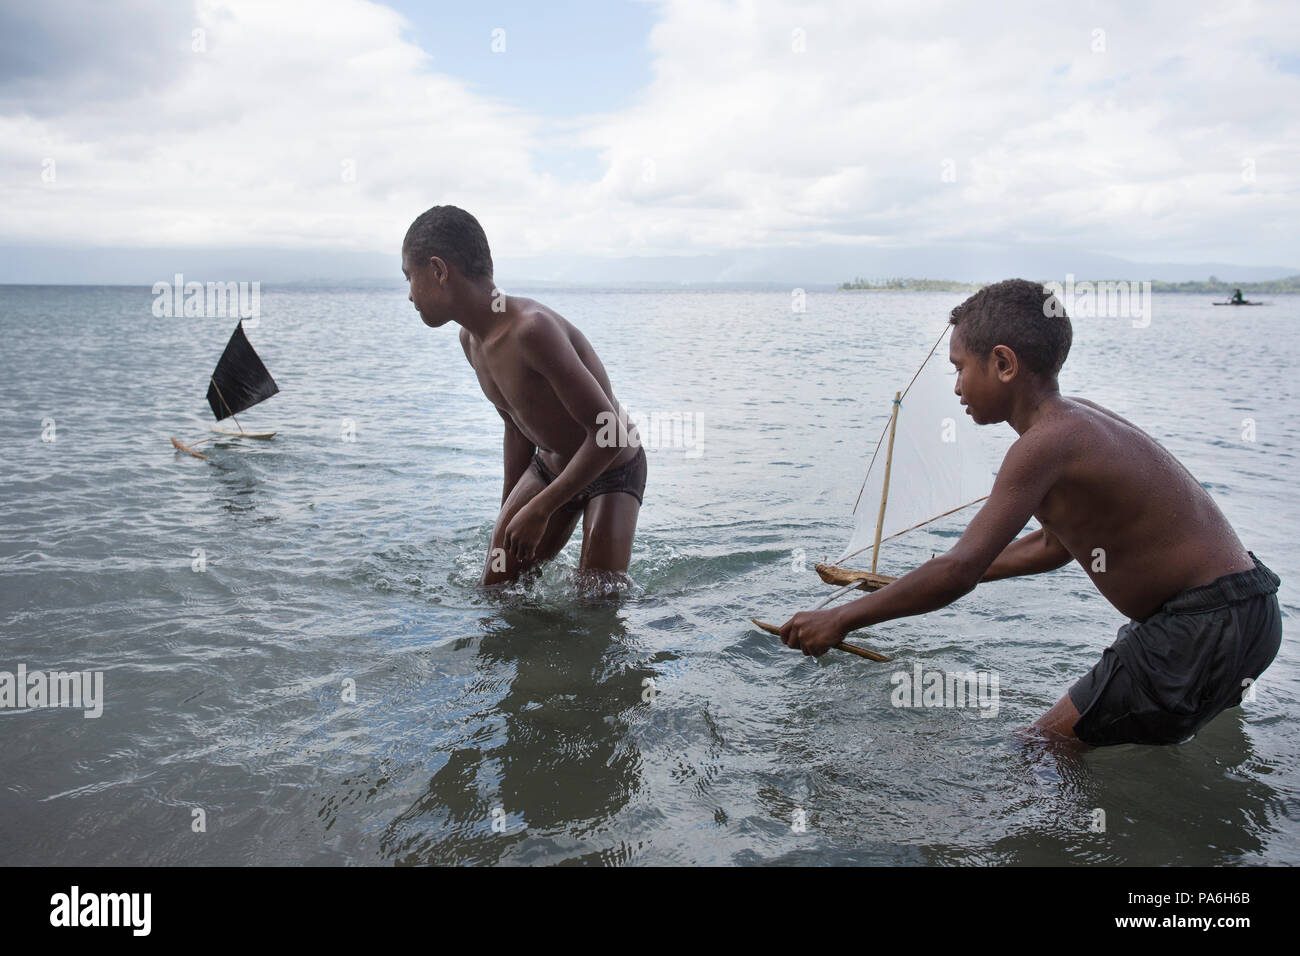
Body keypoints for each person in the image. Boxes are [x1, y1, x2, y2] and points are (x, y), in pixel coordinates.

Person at [780, 279, 1281, 746]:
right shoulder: (1074, 422)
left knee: (1039, 748)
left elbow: (960, 571)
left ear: (1003, 363)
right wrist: (915, 578)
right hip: (1252, 611)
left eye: (959, 368)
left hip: (1201, 624)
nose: (956, 387)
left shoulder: (1042, 445)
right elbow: (1053, 545)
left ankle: (1041, 838)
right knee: (1170, 739)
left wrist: (841, 619)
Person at [402, 205, 645, 587]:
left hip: (612, 466)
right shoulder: (471, 341)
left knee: (596, 601)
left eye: (408, 278)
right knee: (495, 588)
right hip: (551, 464)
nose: (410, 296)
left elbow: (609, 433)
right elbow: (516, 427)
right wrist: (509, 514)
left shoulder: (531, 330)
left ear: (438, 270)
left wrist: (541, 507)